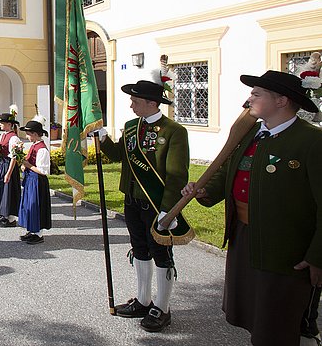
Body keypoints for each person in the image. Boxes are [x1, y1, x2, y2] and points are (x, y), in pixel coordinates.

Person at [182, 70, 322, 346]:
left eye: (257, 94)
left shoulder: (311, 141)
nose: (250, 98)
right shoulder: (250, 135)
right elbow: (230, 172)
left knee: (279, 320)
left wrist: (318, 255)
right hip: (244, 238)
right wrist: (204, 189)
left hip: (285, 249)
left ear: (281, 100)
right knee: (253, 314)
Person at [98, 79, 190, 333]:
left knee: (160, 252)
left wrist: (169, 209)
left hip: (156, 203)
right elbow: (118, 155)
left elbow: (177, 174)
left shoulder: (173, 131)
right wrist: (104, 139)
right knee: (139, 248)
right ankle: (143, 299)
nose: (131, 105)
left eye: (135, 101)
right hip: (131, 198)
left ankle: (162, 307)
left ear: (152, 103)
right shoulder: (130, 127)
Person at [18, 120, 51, 244]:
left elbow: (43, 170)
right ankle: (32, 230)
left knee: (36, 206)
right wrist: (24, 166)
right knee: (29, 205)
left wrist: (28, 165)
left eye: (29, 134)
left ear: (36, 134)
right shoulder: (34, 145)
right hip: (30, 179)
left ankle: (38, 234)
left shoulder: (42, 149)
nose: (27, 137)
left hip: (37, 181)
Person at [0, 112, 22, 228]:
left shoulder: (14, 138)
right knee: (1, 189)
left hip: (8, 165)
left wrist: (9, 173)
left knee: (9, 191)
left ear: (9, 124)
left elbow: (14, 157)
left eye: (2, 123)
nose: (0, 125)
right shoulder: (3, 135)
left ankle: (11, 218)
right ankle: (3, 214)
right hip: (1, 163)